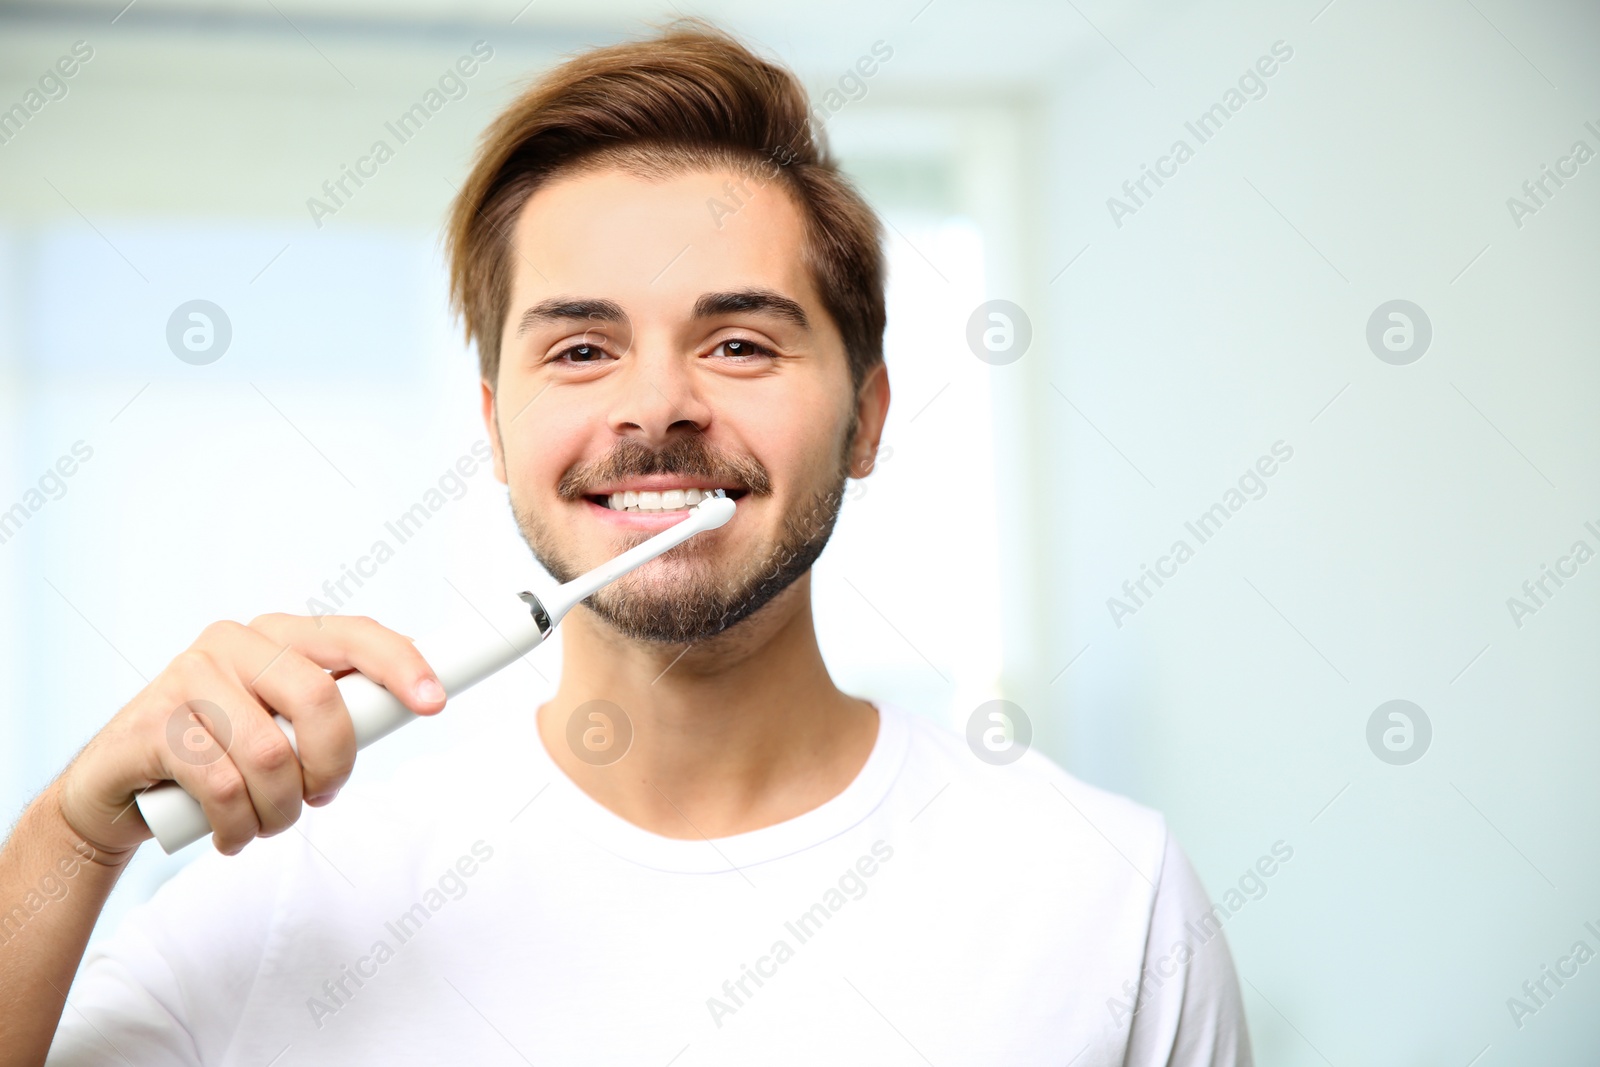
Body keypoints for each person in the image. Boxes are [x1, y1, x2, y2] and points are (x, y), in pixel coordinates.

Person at [1, 20, 1251, 1066]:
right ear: (496, 428)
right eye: (582, 348)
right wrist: (73, 836)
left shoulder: (1109, 898)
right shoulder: (282, 902)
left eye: (740, 341)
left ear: (866, 417)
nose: (656, 409)